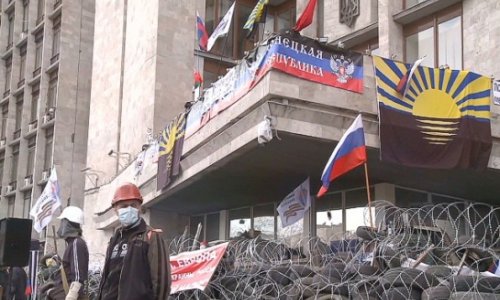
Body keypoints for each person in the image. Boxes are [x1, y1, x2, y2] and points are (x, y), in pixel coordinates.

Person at [97, 183, 171, 300]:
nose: (129, 209)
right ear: (115, 210)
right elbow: (106, 279)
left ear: (140, 208)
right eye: (124, 206)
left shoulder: (151, 237)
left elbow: (161, 282)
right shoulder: (114, 240)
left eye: (133, 205)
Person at [47, 206, 89, 300]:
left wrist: (71, 296)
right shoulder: (72, 244)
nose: (61, 226)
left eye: (63, 222)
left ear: (68, 224)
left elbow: (78, 277)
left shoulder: (76, 243)